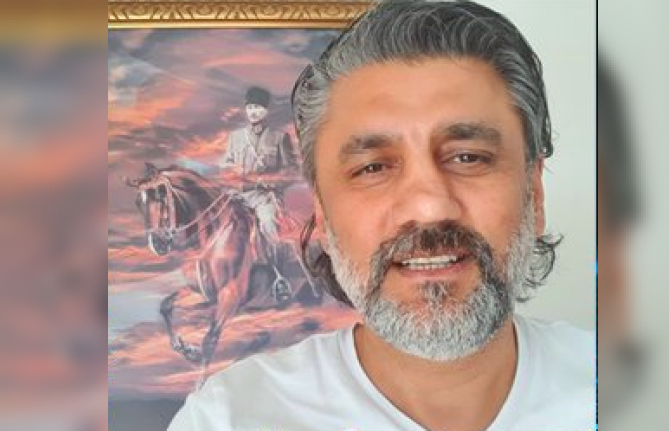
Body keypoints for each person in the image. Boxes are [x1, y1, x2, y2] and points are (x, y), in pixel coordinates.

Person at [169, 1, 595, 430]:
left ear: (535, 194)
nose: (428, 207)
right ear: (322, 215)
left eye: (468, 157)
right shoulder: (228, 418)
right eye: (372, 168)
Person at [221, 85, 299, 300]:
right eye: (250, 107)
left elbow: (291, 170)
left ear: (266, 110)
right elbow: (225, 166)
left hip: (264, 197)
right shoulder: (235, 137)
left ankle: (279, 277)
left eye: (258, 107)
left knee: (268, 224)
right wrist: (232, 175)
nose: (253, 112)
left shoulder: (279, 137)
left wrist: (269, 182)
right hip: (237, 195)